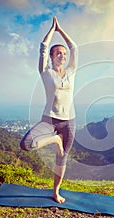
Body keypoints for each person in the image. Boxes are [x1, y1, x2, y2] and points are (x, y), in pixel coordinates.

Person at [20, 16, 77, 203]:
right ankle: (54, 139)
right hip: (49, 120)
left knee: (62, 158)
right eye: (58, 53)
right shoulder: (45, 72)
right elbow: (43, 47)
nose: (63, 55)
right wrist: (53, 30)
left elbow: (74, 48)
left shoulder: (71, 72)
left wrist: (61, 30)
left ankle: (55, 192)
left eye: (64, 54)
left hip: (69, 121)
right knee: (26, 144)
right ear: (52, 57)